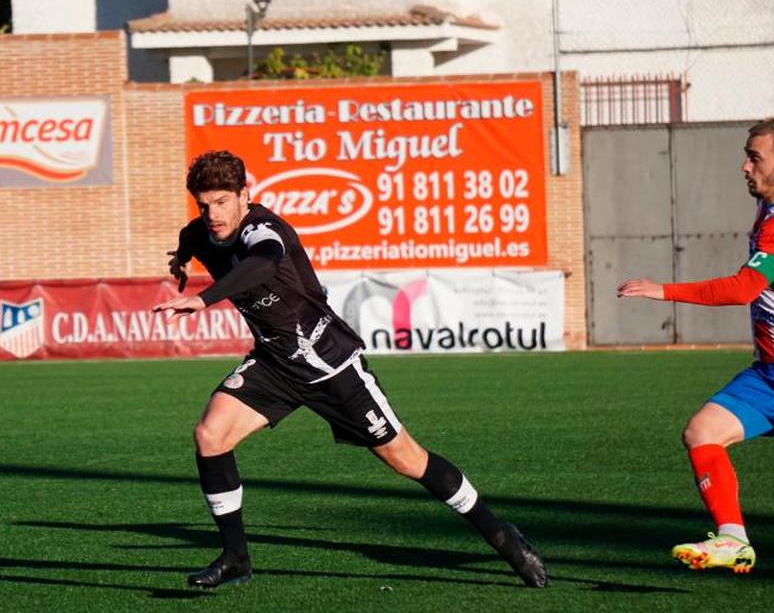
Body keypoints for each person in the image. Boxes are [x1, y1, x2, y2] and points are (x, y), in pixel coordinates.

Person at [152, 150, 547, 589]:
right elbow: (191, 236)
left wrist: (204, 298)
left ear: (246, 194)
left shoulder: (266, 232)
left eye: (223, 201)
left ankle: (501, 537)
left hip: (331, 365)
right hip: (275, 365)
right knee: (210, 435)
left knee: (407, 460)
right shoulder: (204, 231)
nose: (213, 214)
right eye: (204, 204)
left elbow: (261, 263)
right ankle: (236, 558)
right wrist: (182, 257)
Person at [618, 116, 774, 574]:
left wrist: (663, 290)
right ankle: (733, 540)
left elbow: (742, 289)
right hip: (773, 375)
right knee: (702, 433)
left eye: (755, 157)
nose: (744, 166)